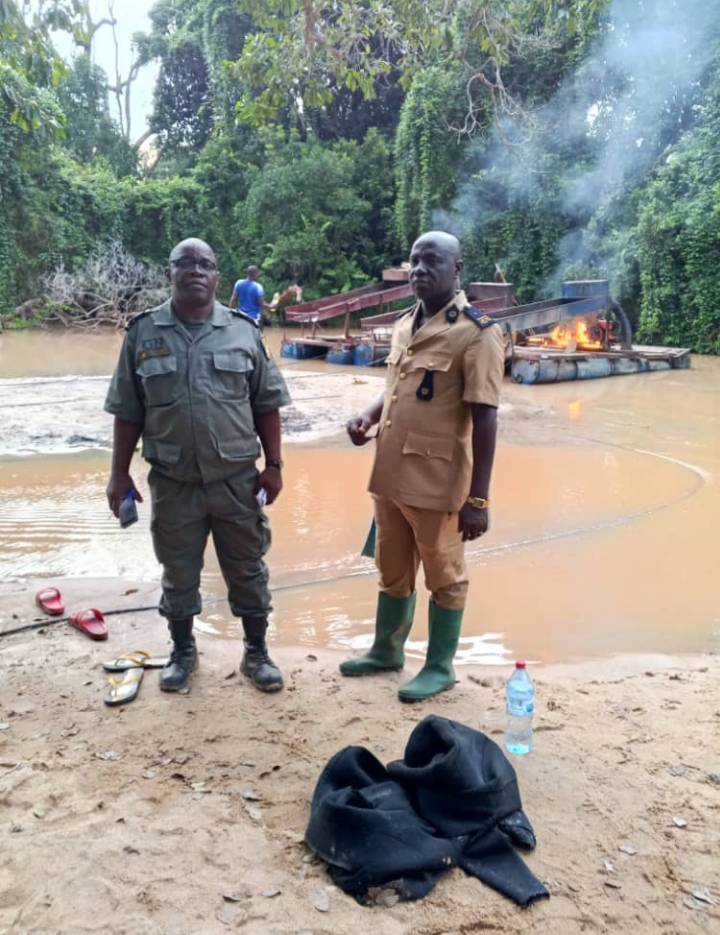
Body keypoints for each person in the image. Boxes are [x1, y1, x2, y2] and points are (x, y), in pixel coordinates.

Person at [104, 238, 291, 694]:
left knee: (247, 568)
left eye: (205, 264)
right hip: (173, 482)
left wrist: (275, 465)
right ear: (169, 272)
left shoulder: (244, 332)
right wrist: (118, 473)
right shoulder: (143, 333)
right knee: (178, 570)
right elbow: (128, 410)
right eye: (184, 263)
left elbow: (267, 404)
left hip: (236, 481)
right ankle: (184, 652)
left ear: (217, 276)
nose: (195, 270)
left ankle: (256, 653)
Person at [342, 231, 505, 702]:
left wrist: (478, 499)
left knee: (445, 575)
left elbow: (486, 417)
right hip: (390, 475)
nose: (418, 270)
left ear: (457, 269)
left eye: (431, 261)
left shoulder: (478, 333)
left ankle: (439, 666)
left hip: (438, 482)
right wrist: (368, 417)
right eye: (414, 261)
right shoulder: (403, 323)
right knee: (391, 569)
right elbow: (397, 386)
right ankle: (386, 651)